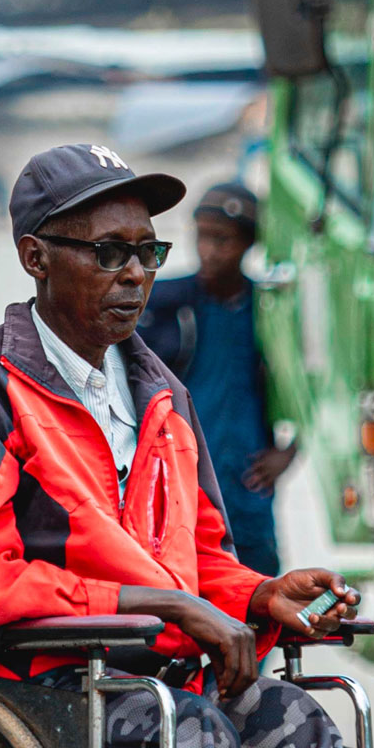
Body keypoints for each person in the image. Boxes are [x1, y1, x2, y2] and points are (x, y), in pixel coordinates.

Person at [0, 143, 357, 748]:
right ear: (34, 257)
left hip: (157, 677)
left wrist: (261, 594)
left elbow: (197, 563)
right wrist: (165, 606)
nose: (135, 273)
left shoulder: (163, 393)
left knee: (296, 718)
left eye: (148, 252)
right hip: (39, 679)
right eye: (109, 252)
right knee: (189, 728)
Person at [137, 182, 292, 576]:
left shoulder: (270, 309)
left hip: (247, 481)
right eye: (202, 237)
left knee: (258, 587)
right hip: (181, 476)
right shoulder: (165, 302)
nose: (209, 250)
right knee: (184, 580)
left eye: (222, 240)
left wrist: (290, 453)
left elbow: (319, 382)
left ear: (249, 245)